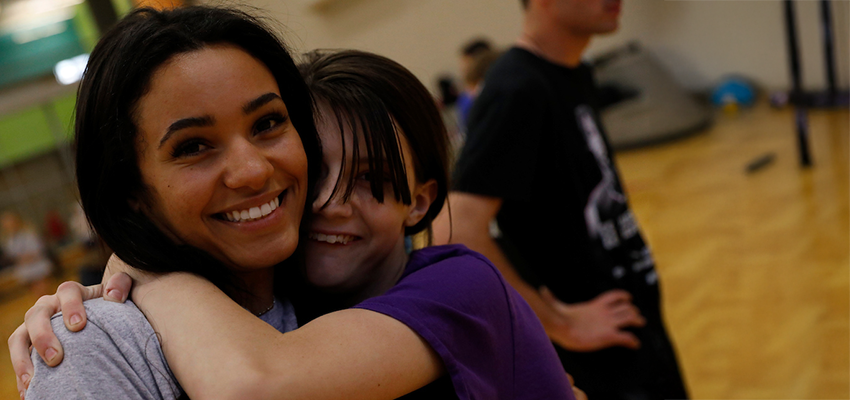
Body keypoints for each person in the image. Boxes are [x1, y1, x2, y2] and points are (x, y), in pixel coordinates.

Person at [8, 7, 574, 400]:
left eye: (269, 123)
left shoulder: (452, 288)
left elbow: (258, 384)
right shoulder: (94, 346)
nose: (327, 200)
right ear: (131, 192)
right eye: (193, 146)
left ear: (419, 201)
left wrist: (152, 273)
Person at [433, 0, 689, 399]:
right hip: (595, 354)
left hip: (633, 326)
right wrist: (560, 324)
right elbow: (454, 227)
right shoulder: (517, 88)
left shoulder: (574, 72)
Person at [1, 211, 53, 295]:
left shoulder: (29, 234)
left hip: (37, 264)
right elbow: (12, 256)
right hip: (24, 268)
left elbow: (38, 249)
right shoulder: (9, 241)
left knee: (44, 292)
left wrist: (28, 257)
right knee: (37, 294)